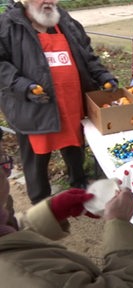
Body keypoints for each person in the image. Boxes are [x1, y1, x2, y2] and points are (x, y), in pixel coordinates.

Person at [0, 0, 119, 204]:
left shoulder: (64, 20)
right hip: (34, 107)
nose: (49, 1)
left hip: (70, 103)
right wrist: (24, 86)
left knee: (74, 147)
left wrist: (102, 76)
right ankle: (41, 200)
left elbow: (86, 54)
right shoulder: (8, 25)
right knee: (37, 156)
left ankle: (78, 181)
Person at [0, 144, 133, 286]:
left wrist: (49, 213)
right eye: (3, 166)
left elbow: (9, 241)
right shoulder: (36, 276)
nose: (7, 173)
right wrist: (119, 224)